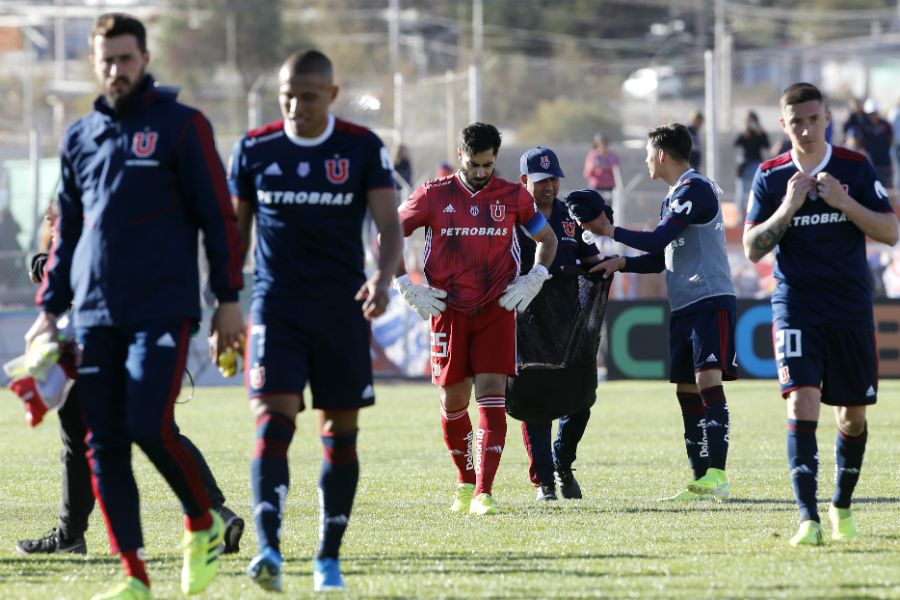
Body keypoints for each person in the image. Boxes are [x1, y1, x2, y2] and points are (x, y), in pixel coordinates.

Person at [24, 13, 244, 600]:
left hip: (163, 310)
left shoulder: (181, 126)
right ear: (93, 64)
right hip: (95, 316)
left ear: (143, 60)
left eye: (125, 59)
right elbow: (67, 233)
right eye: (106, 61)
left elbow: (218, 217)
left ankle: (203, 523)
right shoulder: (80, 137)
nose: (115, 70)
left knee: (150, 422)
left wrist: (228, 299)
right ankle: (135, 577)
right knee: (103, 441)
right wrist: (50, 309)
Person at [229, 50, 403, 593]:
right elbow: (234, 237)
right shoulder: (255, 148)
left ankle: (328, 556)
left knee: (339, 430)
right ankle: (269, 548)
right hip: (276, 305)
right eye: (287, 95)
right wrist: (224, 302)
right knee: (273, 421)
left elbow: (389, 225)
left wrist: (382, 277)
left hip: (341, 308)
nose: (295, 105)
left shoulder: (360, 146)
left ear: (331, 94)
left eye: (307, 95)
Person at [15, 215, 244, 560]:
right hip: (141, 321)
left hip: (135, 327)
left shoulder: (123, 188)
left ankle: (209, 514)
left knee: (148, 429)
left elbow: (109, 256)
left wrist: (54, 268)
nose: (51, 217)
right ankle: (73, 534)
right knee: (84, 421)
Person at [743, 82, 898, 546]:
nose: (806, 129)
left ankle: (841, 506)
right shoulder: (770, 177)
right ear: (783, 124)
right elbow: (752, 248)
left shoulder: (854, 165)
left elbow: (890, 232)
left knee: (852, 416)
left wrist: (844, 203)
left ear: (827, 117)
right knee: (801, 401)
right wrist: (789, 207)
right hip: (796, 305)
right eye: (796, 122)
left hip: (851, 305)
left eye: (813, 119)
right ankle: (807, 519)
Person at [393, 122, 557, 516]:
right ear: (460, 154)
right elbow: (388, 233)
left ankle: (484, 491)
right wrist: (404, 284)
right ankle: (464, 484)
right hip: (447, 309)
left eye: (488, 164)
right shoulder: (433, 194)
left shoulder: (513, 196)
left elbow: (547, 240)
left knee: (491, 395)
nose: (482, 172)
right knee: (453, 400)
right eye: (474, 163)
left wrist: (535, 278)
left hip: (496, 308)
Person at [578, 123, 737, 503]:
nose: (646, 160)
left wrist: (610, 229)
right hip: (684, 305)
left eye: (648, 153)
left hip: (709, 299)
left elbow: (657, 239)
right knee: (686, 390)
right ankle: (701, 478)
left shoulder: (695, 188)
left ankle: (718, 473)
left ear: (661, 154)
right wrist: (621, 264)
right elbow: (659, 258)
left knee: (708, 383)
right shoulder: (673, 197)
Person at [517, 147, 600, 502]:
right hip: (528, 321)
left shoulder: (570, 215)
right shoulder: (512, 216)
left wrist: (611, 263)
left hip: (569, 321)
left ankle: (563, 461)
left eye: (553, 179)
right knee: (534, 401)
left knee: (581, 398)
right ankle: (545, 482)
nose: (550, 186)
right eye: (541, 180)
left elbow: (591, 258)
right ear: (524, 181)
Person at [733, 111, 770, 218]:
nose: (751, 124)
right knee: (741, 191)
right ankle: (740, 214)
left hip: (756, 163)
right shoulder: (743, 133)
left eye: (753, 121)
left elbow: (767, 145)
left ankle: (756, 213)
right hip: (744, 164)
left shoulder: (760, 133)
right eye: (749, 121)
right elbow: (735, 143)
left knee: (757, 188)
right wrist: (743, 131)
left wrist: (760, 133)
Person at [861, 98, 894, 189]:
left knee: (887, 190)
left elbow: (891, 139)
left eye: (874, 113)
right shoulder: (863, 126)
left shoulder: (886, 124)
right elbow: (861, 143)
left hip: (884, 163)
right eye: (870, 114)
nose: (873, 116)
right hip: (870, 164)